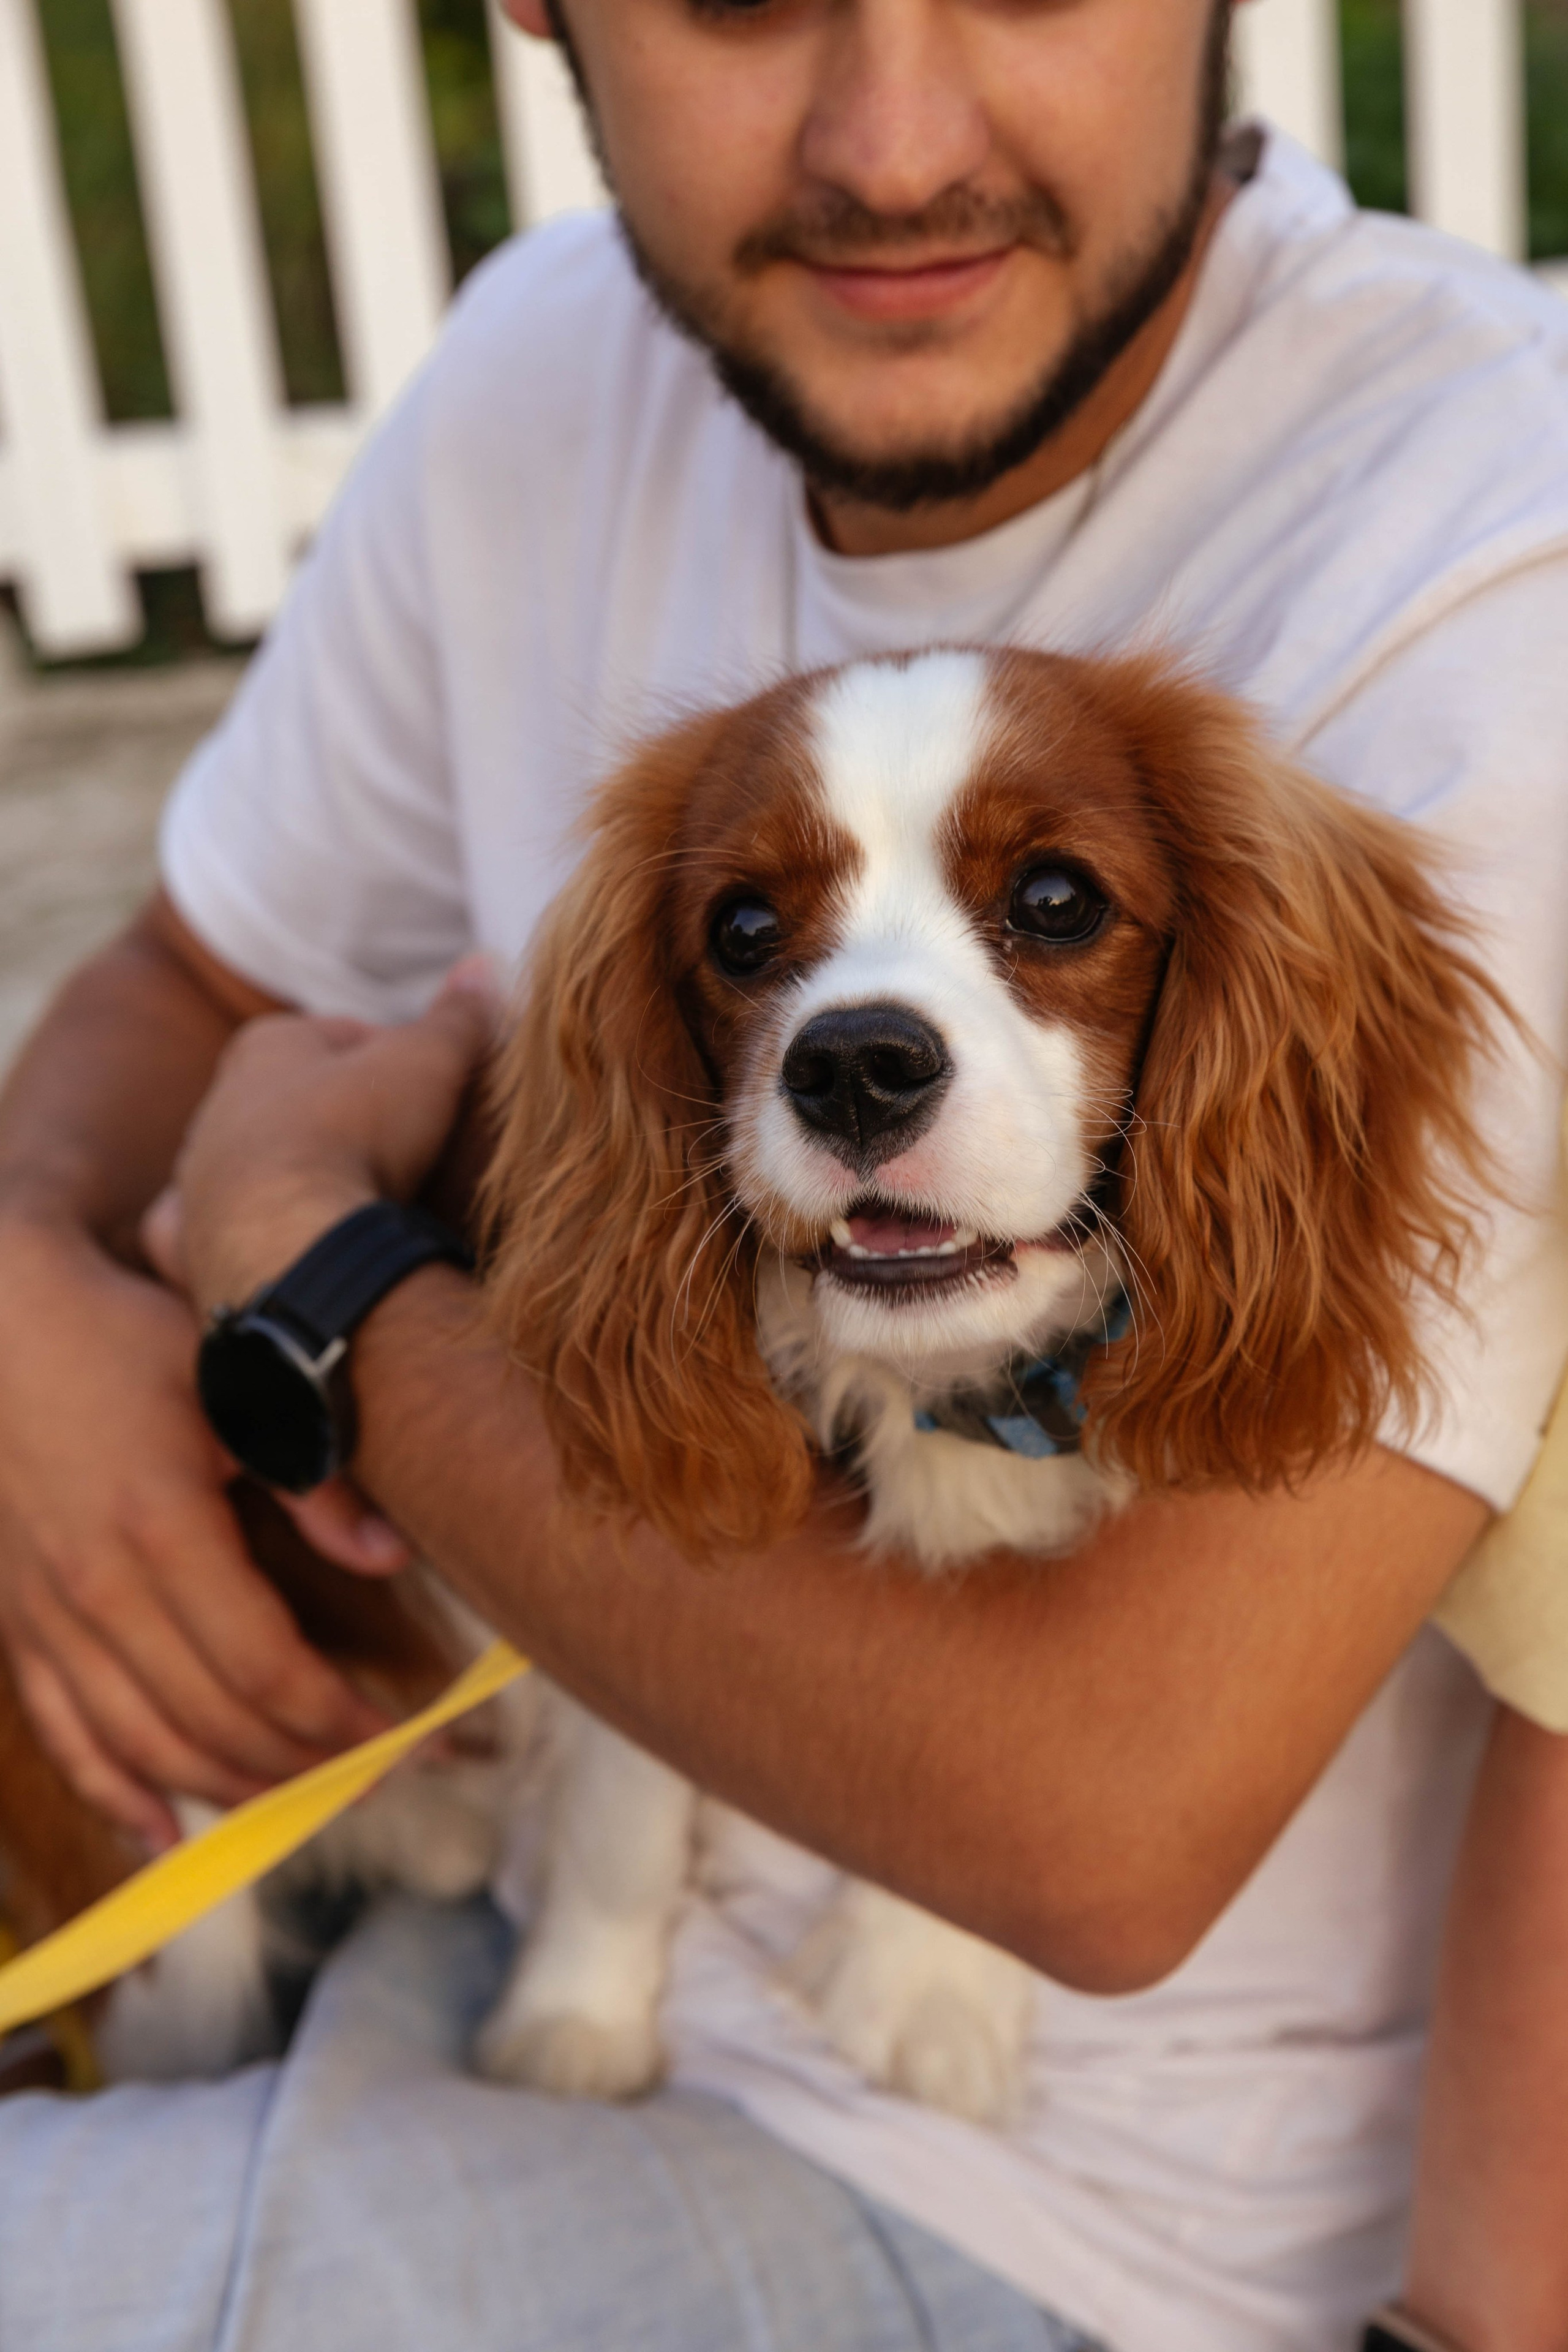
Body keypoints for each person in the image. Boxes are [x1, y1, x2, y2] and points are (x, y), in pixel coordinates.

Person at [0, 2, 1564, 2346]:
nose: (895, 140)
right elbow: (197, 976)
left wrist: (304, 1286)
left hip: (1023, 2208)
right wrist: (23, 1291)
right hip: (486, 1871)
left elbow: (1095, 1837)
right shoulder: (552, 356)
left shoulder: (1496, 543)